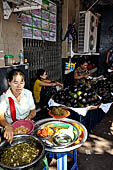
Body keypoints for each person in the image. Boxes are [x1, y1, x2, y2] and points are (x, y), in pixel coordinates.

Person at [0, 69, 36, 143]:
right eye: (15, 83)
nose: (19, 86)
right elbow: (1, 117)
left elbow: (33, 110)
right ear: (9, 82)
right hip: (10, 128)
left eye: (21, 83)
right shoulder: (4, 97)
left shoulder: (28, 94)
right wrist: (7, 126)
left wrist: (30, 117)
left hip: (27, 126)